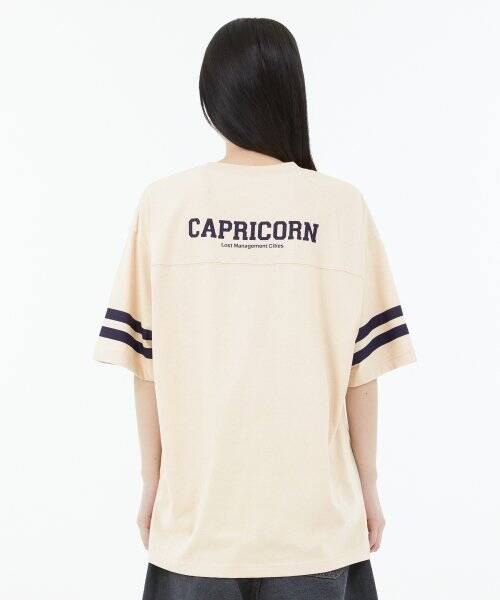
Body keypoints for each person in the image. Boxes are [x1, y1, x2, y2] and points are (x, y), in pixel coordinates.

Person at [94, 17, 416, 600]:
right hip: (315, 526)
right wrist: (368, 488)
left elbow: (145, 367)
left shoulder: (165, 205)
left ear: (213, 99)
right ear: (291, 92)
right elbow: (363, 374)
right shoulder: (340, 207)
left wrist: (151, 483)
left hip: (197, 526)